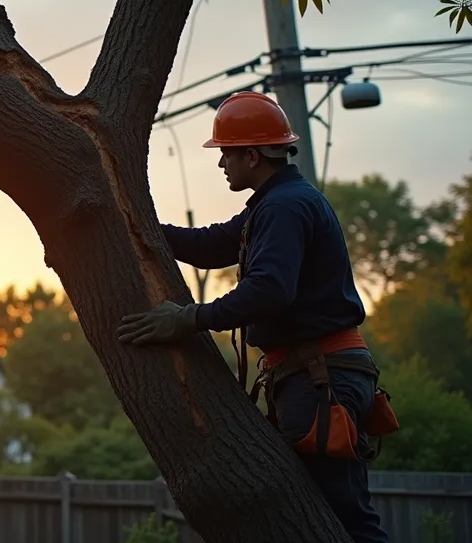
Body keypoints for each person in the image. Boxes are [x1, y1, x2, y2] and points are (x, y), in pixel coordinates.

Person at [116, 91, 394, 543]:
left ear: (252, 154)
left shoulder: (283, 207)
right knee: (339, 516)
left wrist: (187, 318)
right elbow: (211, 245)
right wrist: (138, 227)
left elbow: (269, 291)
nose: (221, 163)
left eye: (226, 154)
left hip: (319, 379)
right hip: (321, 375)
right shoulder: (274, 205)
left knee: (342, 521)